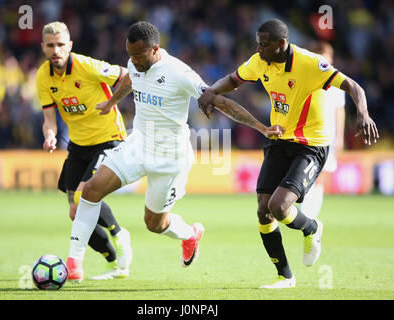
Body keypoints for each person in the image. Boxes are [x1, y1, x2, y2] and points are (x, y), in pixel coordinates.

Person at [65, 21, 284, 283]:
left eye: (138, 55)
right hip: (138, 145)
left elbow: (221, 101)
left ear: (155, 48)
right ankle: (74, 263)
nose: (133, 60)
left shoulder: (179, 73)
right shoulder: (136, 62)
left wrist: (261, 127)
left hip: (170, 158)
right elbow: (129, 79)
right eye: (130, 55)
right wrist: (111, 102)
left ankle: (190, 234)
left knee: (154, 224)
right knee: (90, 191)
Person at [198, 18, 379, 289]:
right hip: (279, 138)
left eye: (264, 45)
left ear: (281, 44)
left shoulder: (310, 64)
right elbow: (234, 80)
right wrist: (211, 91)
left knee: (279, 207)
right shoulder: (260, 61)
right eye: (258, 44)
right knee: (263, 211)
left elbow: (354, 86)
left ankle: (311, 228)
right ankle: (285, 276)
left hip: (310, 145)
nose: (259, 49)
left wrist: (363, 114)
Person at [36, 21, 133, 280]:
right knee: (74, 210)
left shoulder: (86, 66)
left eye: (60, 45)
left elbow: (127, 76)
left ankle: (119, 233)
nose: (55, 50)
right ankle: (112, 261)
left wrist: (112, 101)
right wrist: (50, 136)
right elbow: (49, 117)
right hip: (78, 144)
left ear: (69, 46)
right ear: (43, 47)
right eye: (50, 45)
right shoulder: (43, 76)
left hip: (108, 138)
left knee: (83, 196)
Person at [300, 41, 345, 219]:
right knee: (309, 175)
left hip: (329, 135)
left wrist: (340, 136)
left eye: (329, 59)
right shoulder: (308, 79)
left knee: (322, 177)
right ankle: (305, 213)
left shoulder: (336, 81)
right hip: (310, 135)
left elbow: (339, 111)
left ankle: (310, 215)